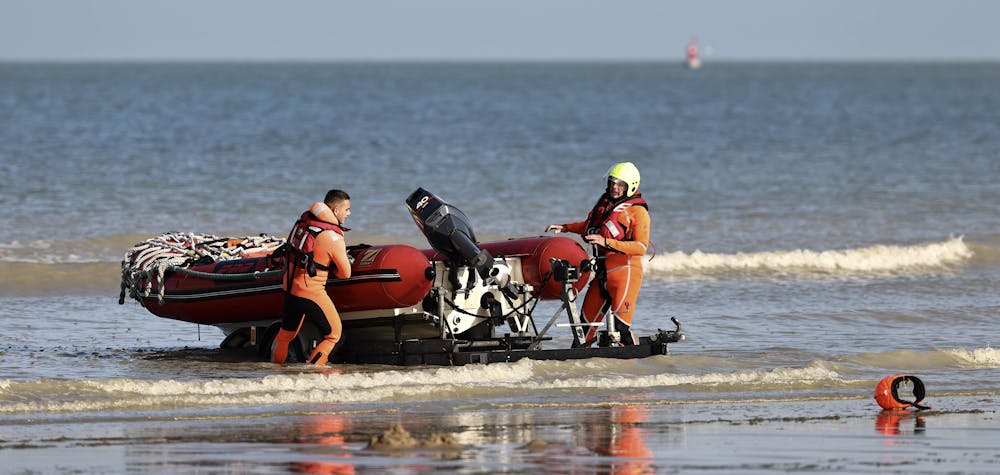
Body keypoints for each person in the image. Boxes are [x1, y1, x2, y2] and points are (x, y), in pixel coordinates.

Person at [546, 162, 650, 346]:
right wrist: (565, 228)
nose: (615, 188)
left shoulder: (638, 212)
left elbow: (641, 247)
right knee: (582, 332)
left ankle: (635, 370)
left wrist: (606, 242)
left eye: (620, 184)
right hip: (602, 275)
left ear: (631, 185)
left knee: (620, 332)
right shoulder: (606, 205)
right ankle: (579, 370)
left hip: (625, 275)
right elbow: (590, 227)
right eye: (612, 183)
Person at [272, 189, 352, 365]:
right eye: (346, 209)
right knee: (334, 335)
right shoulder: (333, 237)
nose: (349, 213)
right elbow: (346, 274)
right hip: (310, 291)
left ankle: (276, 371)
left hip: (289, 288)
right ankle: (314, 373)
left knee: (285, 335)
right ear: (336, 210)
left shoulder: (303, 223)